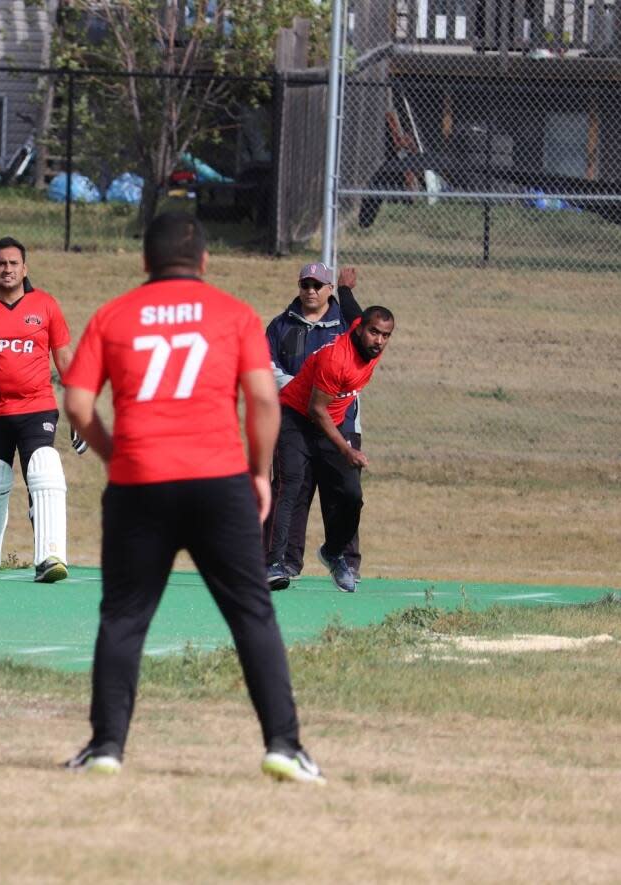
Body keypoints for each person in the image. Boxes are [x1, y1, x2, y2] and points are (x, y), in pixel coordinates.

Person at [61, 212, 324, 784]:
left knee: (124, 616)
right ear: (204, 262)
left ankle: (106, 746)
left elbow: (78, 406)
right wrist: (258, 474)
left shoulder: (114, 314)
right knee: (252, 612)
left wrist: (115, 456)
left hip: (138, 483)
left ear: (144, 262)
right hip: (217, 481)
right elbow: (262, 401)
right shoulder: (234, 313)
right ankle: (283, 744)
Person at [0, 235, 85, 584]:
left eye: (13, 263)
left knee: (44, 471)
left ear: (25, 268)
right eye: (0, 264)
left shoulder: (45, 306)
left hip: (36, 409)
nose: (7, 269)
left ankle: (50, 556)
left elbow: (65, 358)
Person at [267, 305, 395, 593]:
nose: (379, 340)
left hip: (328, 423)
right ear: (360, 329)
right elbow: (316, 410)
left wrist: (345, 288)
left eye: (385, 335)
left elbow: (352, 308)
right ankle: (274, 563)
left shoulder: (370, 344)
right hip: (296, 419)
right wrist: (347, 451)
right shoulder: (337, 359)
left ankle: (333, 553)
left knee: (351, 494)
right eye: (374, 332)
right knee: (290, 486)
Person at [263, 263, 363, 590]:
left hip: (340, 422)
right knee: (291, 489)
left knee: (343, 493)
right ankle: (283, 562)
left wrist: (322, 394)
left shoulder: (347, 326)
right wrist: (306, 389)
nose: (310, 291)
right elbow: (266, 367)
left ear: (329, 289)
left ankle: (344, 560)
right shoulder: (280, 325)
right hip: (294, 420)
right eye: (305, 284)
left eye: (318, 285)